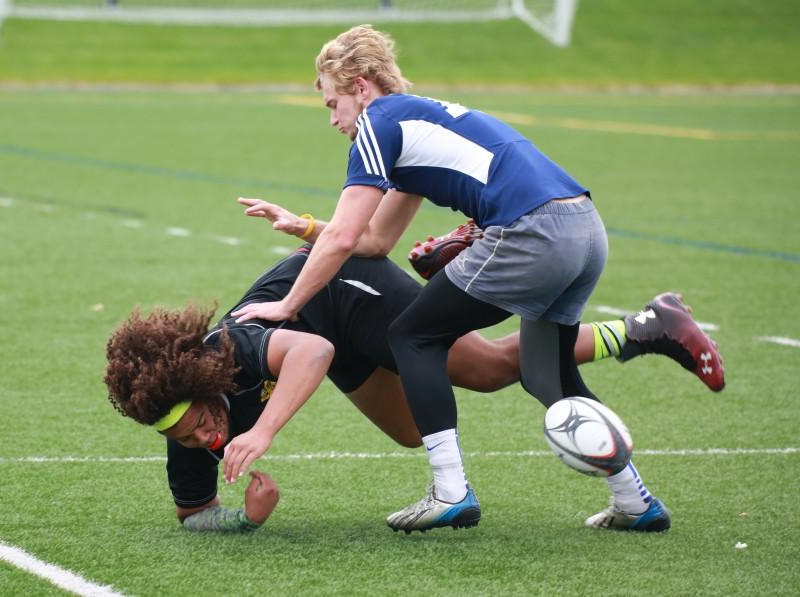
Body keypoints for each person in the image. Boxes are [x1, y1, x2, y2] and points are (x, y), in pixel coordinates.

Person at [229, 25, 724, 534]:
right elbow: (375, 241)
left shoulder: (377, 123)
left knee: (411, 334)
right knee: (544, 373)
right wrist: (307, 225)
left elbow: (344, 242)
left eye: (334, 103)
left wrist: (286, 304)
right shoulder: (414, 115)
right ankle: (636, 502)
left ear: (360, 86)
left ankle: (450, 491)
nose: (333, 118)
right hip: (585, 230)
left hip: (532, 233)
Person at [104, 244, 723, 532]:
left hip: (344, 292)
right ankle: (636, 327)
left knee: (483, 370)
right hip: (327, 335)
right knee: (407, 430)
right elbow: (194, 516)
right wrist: (247, 520)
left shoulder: (230, 353)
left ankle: (647, 327)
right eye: (189, 437)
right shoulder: (180, 426)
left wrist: (262, 431)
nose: (207, 436)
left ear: (203, 383)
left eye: (205, 422)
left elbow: (312, 351)